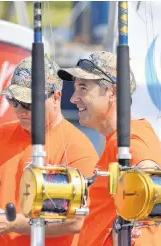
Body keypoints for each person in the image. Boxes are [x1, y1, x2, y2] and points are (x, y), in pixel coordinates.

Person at [0, 56, 99, 246]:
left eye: (29, 104)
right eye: (14, 101)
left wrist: (12, 223)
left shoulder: (78, 148)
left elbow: (76, 221)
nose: (20, 111)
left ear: (56, 97)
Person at [58, 51, 161, 246]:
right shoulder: (120, 140)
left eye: (83, 88)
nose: (73, 98)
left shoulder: (131, 139)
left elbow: (152, 189)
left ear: (113, 92)